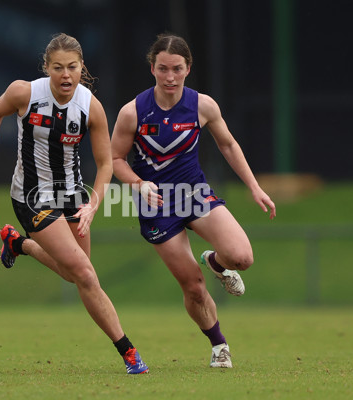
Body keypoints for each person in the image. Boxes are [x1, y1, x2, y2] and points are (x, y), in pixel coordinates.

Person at [0, 33, 148, 375]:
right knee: (85, 273)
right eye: (57, 68)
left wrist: (92, 206)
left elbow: (105, 165)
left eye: (72, 67)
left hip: (73, 197)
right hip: (31, 196)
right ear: (46, 68)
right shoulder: (24, 93)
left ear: (82, 67)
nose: (65, 75)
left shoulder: (91, 107)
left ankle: (18, 243)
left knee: (78, 276)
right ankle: (129, 353)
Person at [110, 33, 276, 368]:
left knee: (242, 257)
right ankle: (219, 346)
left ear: (188, 68)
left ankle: (216, 261)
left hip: (194, 195)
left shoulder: (203, 106)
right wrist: (139, 184)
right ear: (152, 69)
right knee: (194, 287)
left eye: (177, 69)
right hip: (155, 205)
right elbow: (114, 160)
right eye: (162, 69)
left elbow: (228, 145)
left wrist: (254, 187)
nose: (170, 76)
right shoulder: (133, 112)